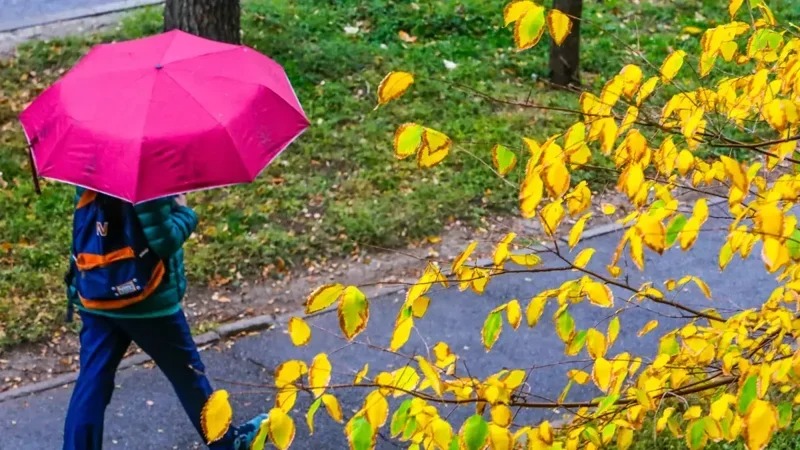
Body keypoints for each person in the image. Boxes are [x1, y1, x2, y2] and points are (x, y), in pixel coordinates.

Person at [63, 188, 266, 450]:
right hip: (147, 301)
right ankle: (226, 443)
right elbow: (164, 241)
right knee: (188, 375)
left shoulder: (93, 165)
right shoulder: (147, 175)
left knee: (92, 382)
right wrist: (185, 211)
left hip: (97, 293)